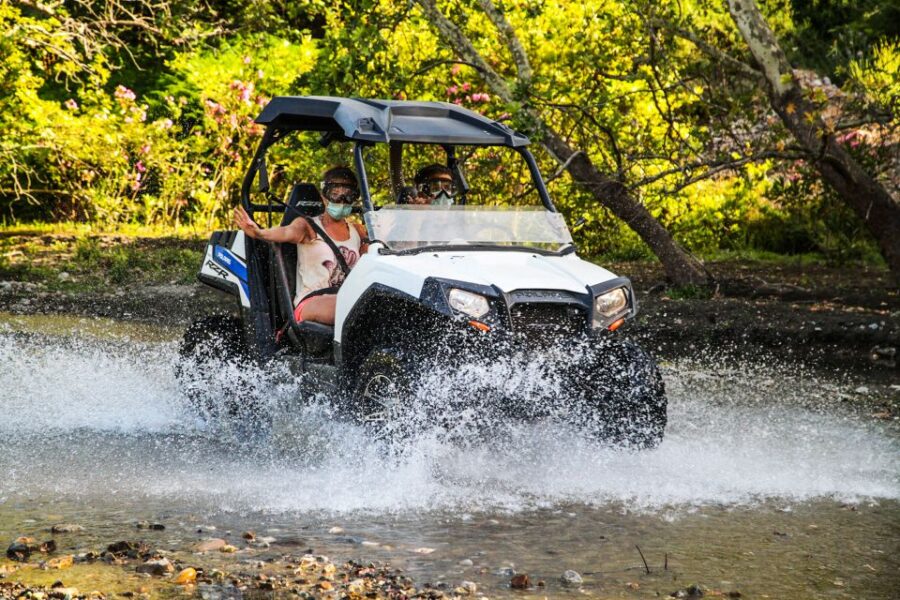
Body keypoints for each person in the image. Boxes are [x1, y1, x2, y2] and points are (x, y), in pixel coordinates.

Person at [233, 166, 368, 325]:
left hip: (349, 297)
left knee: (371, 305)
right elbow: (285, 232)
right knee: (351, 306)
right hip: (313, 301)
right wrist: (259, 233)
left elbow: (374, 258)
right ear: (324, 195)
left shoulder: (358, 231)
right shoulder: (307, 226)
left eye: (348, 194)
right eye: (336, 193)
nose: (342, 200)